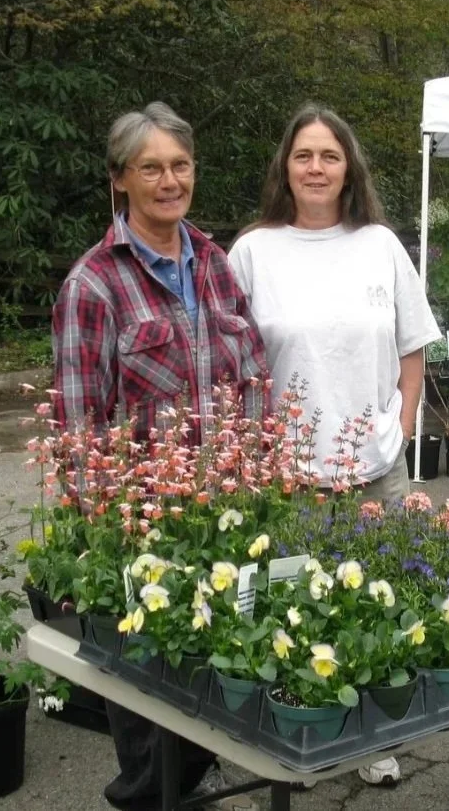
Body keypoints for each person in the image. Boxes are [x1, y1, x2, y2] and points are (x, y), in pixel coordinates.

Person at [52, 102, 265, 811]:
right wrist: (107, 540)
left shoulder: (214, 264)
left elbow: (254, 379)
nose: (169, 181)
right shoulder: (93, 286)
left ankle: (184, 787)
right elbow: (80, 431)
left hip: (223, 520)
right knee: (147, 708)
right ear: (120, 179)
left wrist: (256, 482)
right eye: (151, 168)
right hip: (143, 533)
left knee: (218, 679)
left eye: (180, 165)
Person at [227, 103, 440, 786]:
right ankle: (292, 741)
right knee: (284, 609)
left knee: (378, 604)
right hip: (285, 472)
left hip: (374, 468)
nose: (316, 167)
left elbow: (413, 351)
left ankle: (373, 738)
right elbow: (229, 363)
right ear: (284, 170)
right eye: (303, 156)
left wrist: (399, 427)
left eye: (330, 155)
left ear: (349, 169)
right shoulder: (253, 251)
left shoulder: (379, 245)